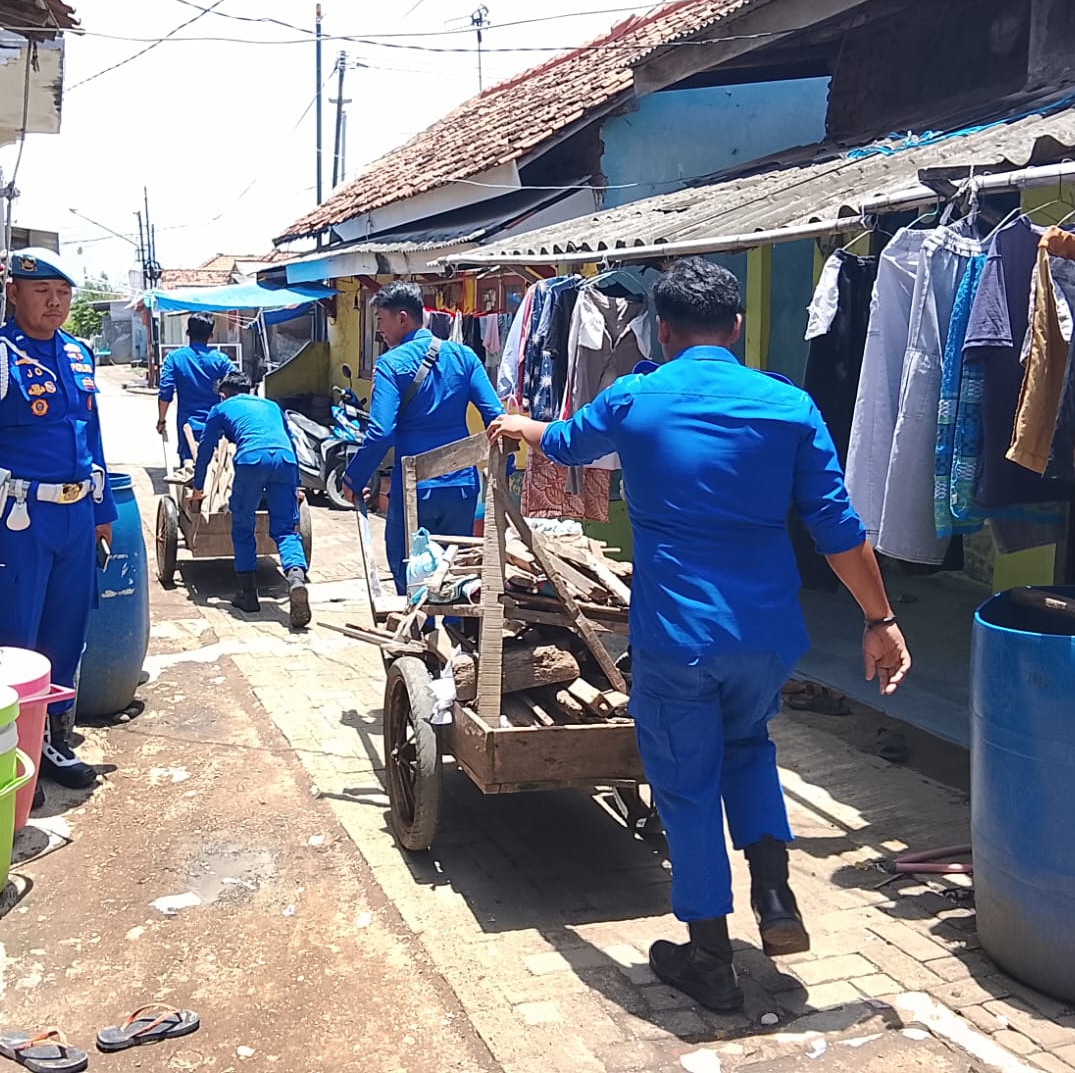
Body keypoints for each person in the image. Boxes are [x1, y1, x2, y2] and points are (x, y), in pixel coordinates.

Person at [488, 258, 912, 1013]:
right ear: (738, 326)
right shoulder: (789, 406)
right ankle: (776, 898)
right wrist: (880, 621)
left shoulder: (635, 399)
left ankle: (710, 959)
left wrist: (520, 424)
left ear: (660, 328)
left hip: (678, 637)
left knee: (685, 785)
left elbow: (566, 441)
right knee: (747, 745)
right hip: (767, 636)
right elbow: (839, 529)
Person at [0, 248, 117, 790]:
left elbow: (90, 438)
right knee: (13, 637)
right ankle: (6, 752)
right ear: (14, 293)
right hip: (19, 523)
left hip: (74, 519)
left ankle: (50, 740)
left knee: (66, 633)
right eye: (42, 291)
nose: (55, 302)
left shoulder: (77, 354)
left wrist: (102, 511)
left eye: (64, 293)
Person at [344, 281, 503, 592]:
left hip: (415, 489)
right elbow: (496, 419)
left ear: (402, 318)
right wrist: (501, 472)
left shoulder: (391, 365)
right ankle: (455, 633)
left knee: (411, 571)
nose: (379, 330)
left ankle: (419, 633)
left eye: (380, 320)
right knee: (454, 571)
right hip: (462, 487)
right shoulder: (465, 356)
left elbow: (380, 433)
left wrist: (353, 479)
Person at [188, 371, 311, 626]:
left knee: (243, 525)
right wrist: (296, 484)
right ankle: (296, 578)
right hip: (285, 461)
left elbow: (204, 450)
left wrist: (198, 487)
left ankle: (248, 594)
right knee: (287, 530)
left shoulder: (221, 408)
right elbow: (290, 442)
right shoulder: (271, 405)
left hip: (251, 460)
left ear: (223, 393)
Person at [158, 312, 235, 467]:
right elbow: (238, 385)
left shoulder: (174, 358)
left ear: (188, 333)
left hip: (188, 425)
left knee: (189, 467)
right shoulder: (221, 360)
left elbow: (165, 392)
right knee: (217, 468)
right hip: (217, 426)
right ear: (211, 335)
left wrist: (161, 420)